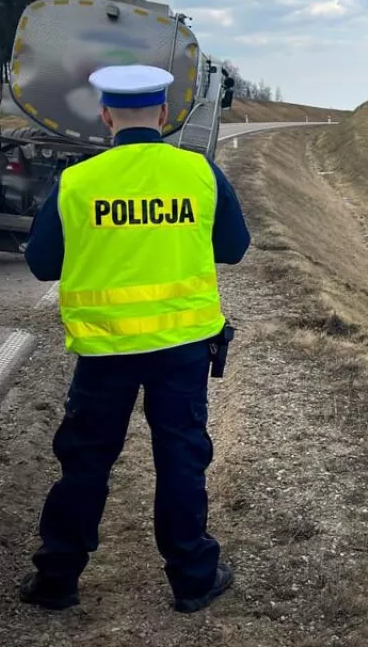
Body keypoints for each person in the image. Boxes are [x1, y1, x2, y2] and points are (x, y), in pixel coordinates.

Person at [19, 63, 251, 613]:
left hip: (105, 350)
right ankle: (193, 579)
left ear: (106, 117)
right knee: (181, 458)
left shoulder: (79, 181)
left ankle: (57, 580)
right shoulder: (198, 172)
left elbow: (42, 264)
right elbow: (234, 247)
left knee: (85, 462)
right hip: (182, 347)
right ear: (164, 115)